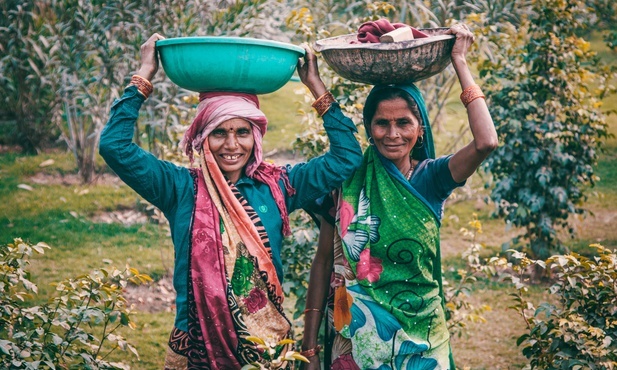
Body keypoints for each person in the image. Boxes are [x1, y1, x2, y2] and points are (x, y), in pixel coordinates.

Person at [99, 33, 363, 369]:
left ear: (255, 137)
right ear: (203, 137)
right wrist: (144, 74)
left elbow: (347, 157)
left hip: (264, 344)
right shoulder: (180, 188)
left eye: (242, 132)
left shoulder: (279, 186)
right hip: (197, 347)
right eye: (219, 132)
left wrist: (315, 85)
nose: (231, 144)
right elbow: (114, 147)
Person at [301, 23, 498, 370]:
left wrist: (460, 62)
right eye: (381, 123)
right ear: (368, 127)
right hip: (356, 344)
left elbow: (486, 143)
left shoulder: (432, 177)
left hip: (422, 340)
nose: (392, 134)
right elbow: (322, 262)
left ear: (420, 128)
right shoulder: (348, 178)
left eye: (404, 123)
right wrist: (310, 343)